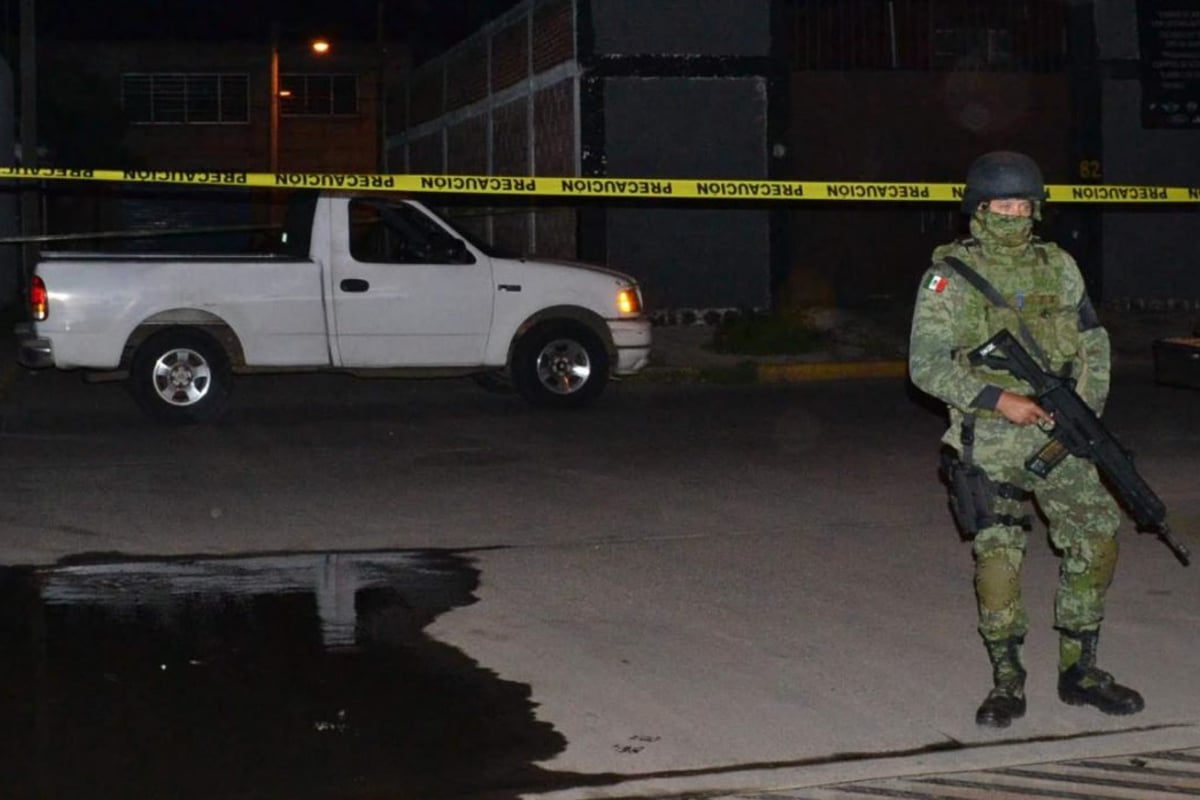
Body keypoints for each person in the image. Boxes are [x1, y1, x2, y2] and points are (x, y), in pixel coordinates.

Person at [908, 151, 1144, 728]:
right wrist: (998, 400)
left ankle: (1080, 669)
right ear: (979, 210)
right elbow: (925, 365)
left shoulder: (1059, 266)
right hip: (989, 437)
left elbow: (1093, 341)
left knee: (1097, 538)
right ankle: (1007, 681)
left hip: (1060, 432)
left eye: (1023, 203)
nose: (1014, 213)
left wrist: (1083, 412)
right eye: (1002, 204)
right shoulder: (948, 277)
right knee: (998, 559)